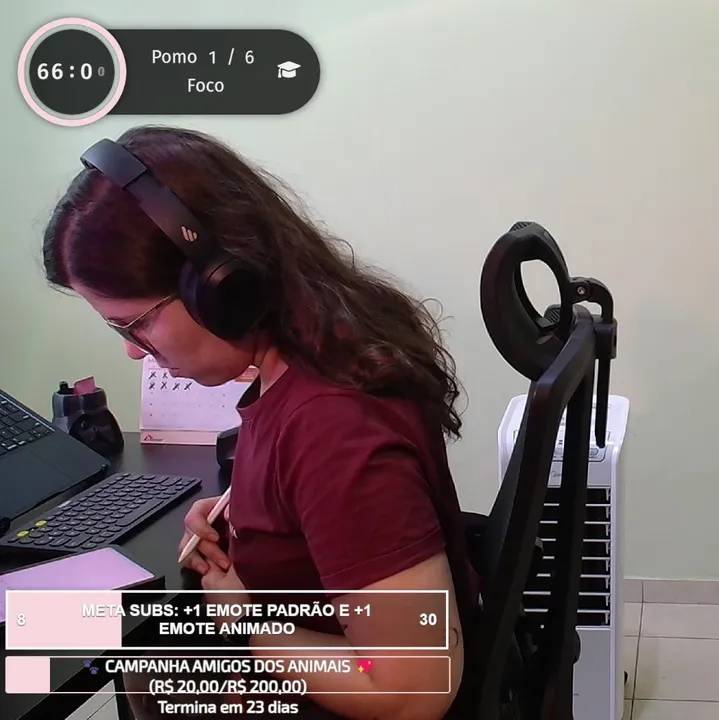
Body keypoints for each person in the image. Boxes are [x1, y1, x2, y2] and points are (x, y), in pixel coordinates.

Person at [42, 125, 477, 720]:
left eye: (134, 324)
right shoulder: (317, 348)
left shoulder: (333, 425)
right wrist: (246, 511)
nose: (133, 351)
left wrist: (247, 623)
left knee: (143, 659)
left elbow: (414, 689)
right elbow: (322, 498)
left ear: (219, 285)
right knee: (150, 656)